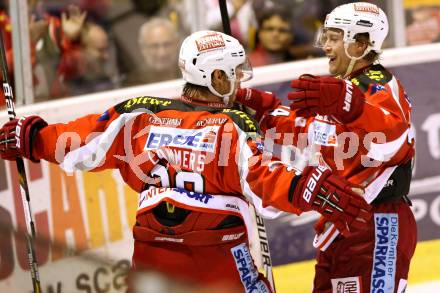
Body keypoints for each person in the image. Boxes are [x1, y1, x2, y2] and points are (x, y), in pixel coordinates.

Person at [0, 30, 370, 291]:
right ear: (218, 76)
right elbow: (263, 182)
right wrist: (307, 189)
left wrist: (30, 137)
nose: (241, 82)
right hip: (216, 264)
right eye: (236, 74)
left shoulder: (139, 115)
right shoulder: (230, 125)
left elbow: (76, 145)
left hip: (149, 262)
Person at [235, 2, 416, 292]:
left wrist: (353, 107)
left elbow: (391, 138)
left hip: (377, 224)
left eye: (334, 38)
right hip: (342, 226)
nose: (326, 46)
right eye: (325, 38)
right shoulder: (341, 90)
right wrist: (267, 112)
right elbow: (317, 133)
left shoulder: (378, 85)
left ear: (359, 44)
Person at [124, 17, 181, 86]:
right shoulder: (133, 83)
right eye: (155, 46)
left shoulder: (189, 75)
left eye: (167, 44)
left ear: (177, 44)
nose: (162, 53)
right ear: (143, 49)